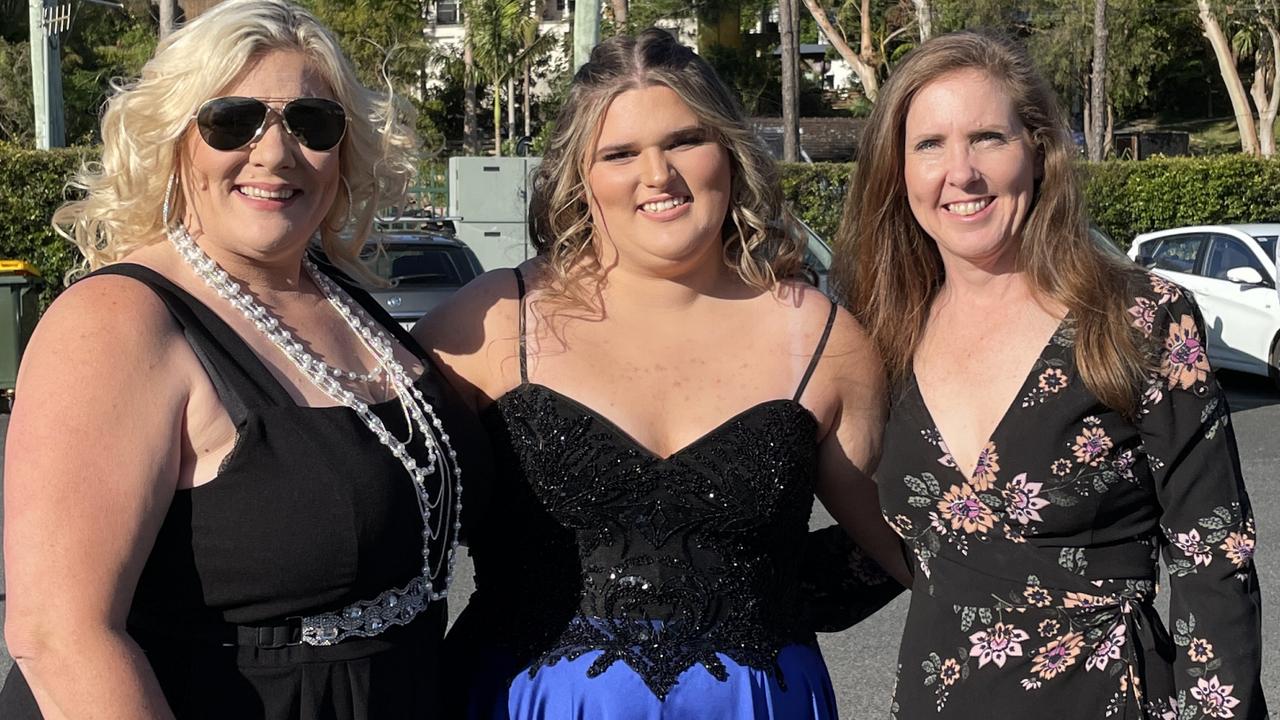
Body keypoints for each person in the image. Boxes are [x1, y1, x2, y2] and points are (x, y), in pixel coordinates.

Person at [0, 1, 484, 718]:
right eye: (233, 120)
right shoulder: (117, 324)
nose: (275, 152)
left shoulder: (346, 300)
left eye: (312, 124)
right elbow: (60, 636)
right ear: (175, 141)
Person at [416, 28, 910, 720]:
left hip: (757, 703)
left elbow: (903, 539)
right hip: (530, 704)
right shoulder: (491, 324)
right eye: (620, 153)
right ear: (579, 176)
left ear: (730, 154)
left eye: (684, 140)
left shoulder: (823, 338)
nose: (658, 176)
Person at [834, 31, 1267, 719]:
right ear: (896, 169)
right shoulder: (882, 334)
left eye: (987, 138)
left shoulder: (1137, 318)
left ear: (1037, 150)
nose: (961, 172)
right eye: (929, 145)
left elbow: (1212, 555)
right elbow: (917, 546)